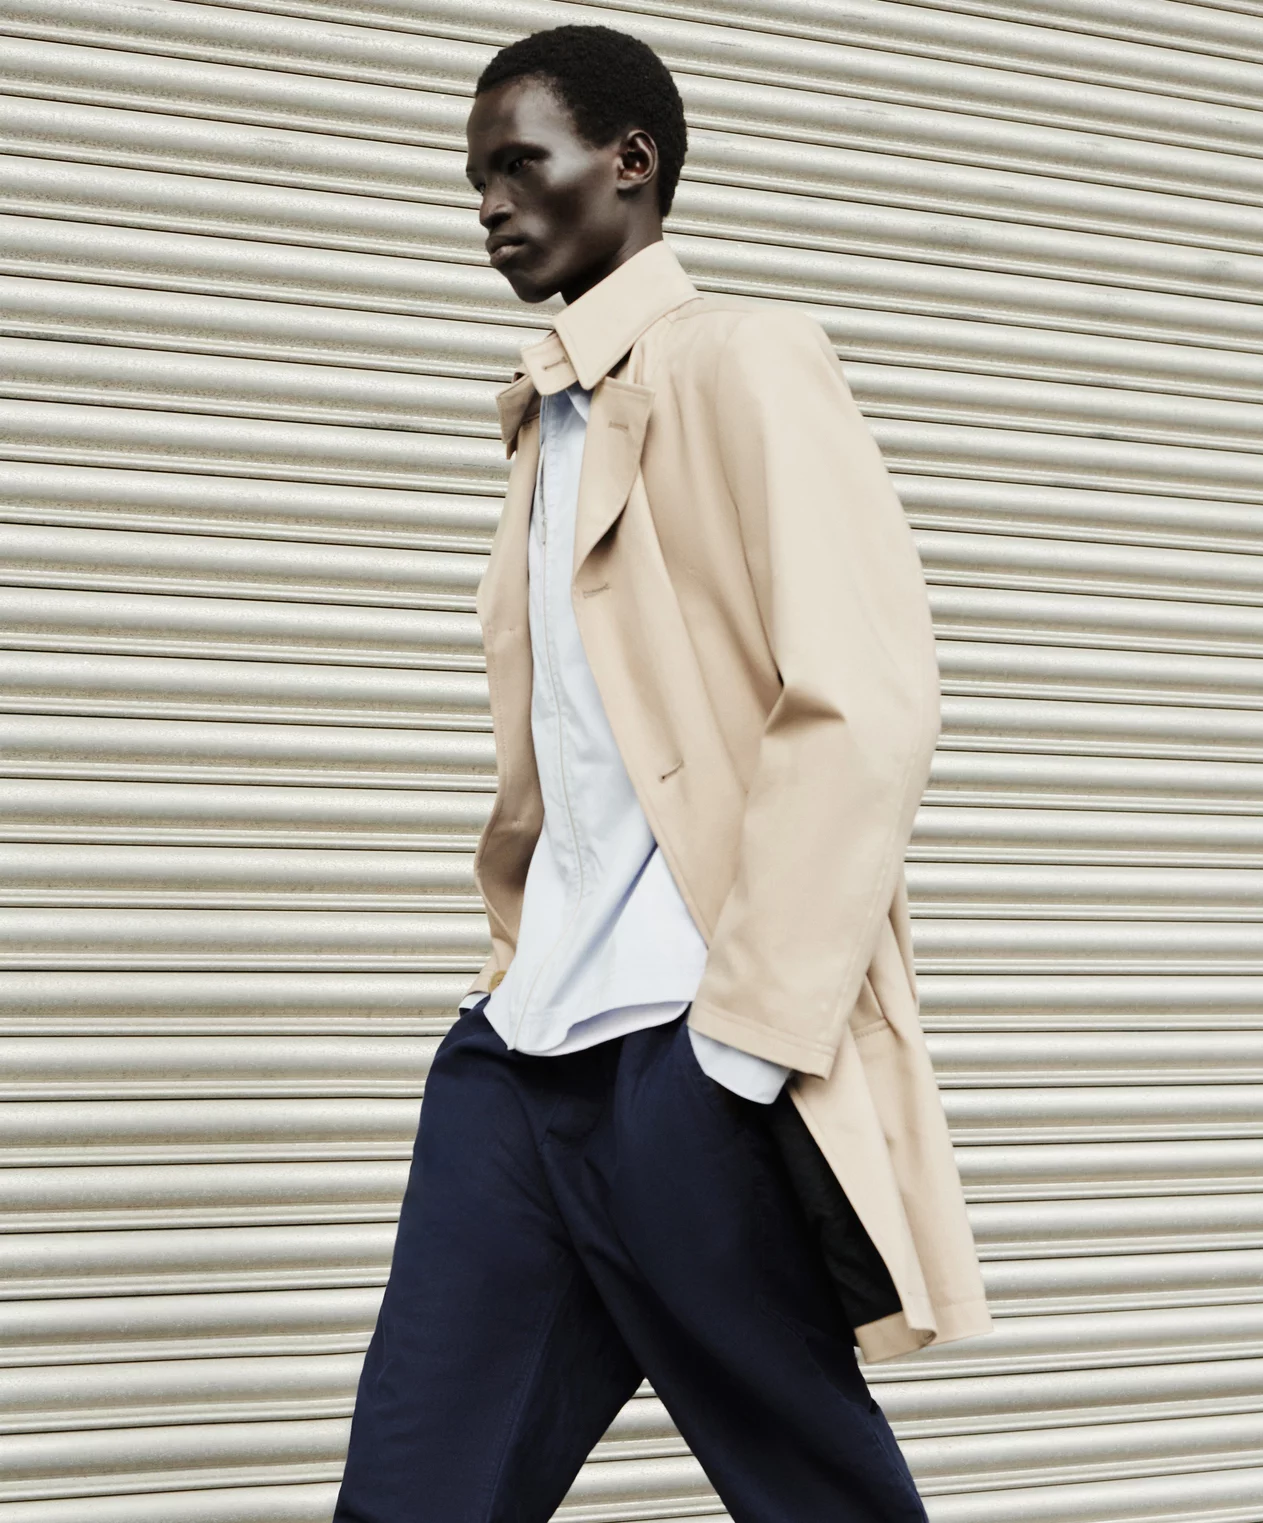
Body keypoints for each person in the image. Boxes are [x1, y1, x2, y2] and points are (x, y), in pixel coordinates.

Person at [333, 23, 990, 1523]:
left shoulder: (743, 363)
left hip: (683, 1062)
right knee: (412, 1493)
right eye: (476, 178)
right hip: (520, 1060)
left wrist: (740, 1047)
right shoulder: (547, 416)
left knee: (812, 1491)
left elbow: (866, 700)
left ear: (630, 162)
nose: (490, 205)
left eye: (522, 164)